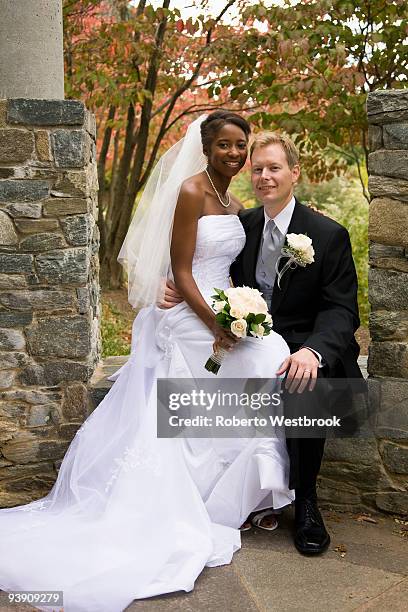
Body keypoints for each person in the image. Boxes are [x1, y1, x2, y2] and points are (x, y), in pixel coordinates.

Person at [0, 112, 294, 612]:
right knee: (257, 356)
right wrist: (215, 324)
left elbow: (227, 266)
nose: (233, 153)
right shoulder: (190, 192)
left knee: (273, 352)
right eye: (224, 144)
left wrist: (239, 314)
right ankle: (203, 494)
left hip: (221, 305)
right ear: (206, 147)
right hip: (186, 311)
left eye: (239, 145)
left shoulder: (236, 202)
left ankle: (234, 493)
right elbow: (180, 270)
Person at [164, 131, 363, 555]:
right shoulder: (244, 225)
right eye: (257, 170)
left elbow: (342, 310)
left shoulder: (328, 234)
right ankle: (243, 492)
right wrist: (176, 288)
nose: (264, 177)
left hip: (308, 338)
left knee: (304, 378)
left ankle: (306, 500)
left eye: (274, 168)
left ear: (294, 173)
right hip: (258, 334)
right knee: (220, 371)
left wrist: (312, 350)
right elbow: (210, 269)